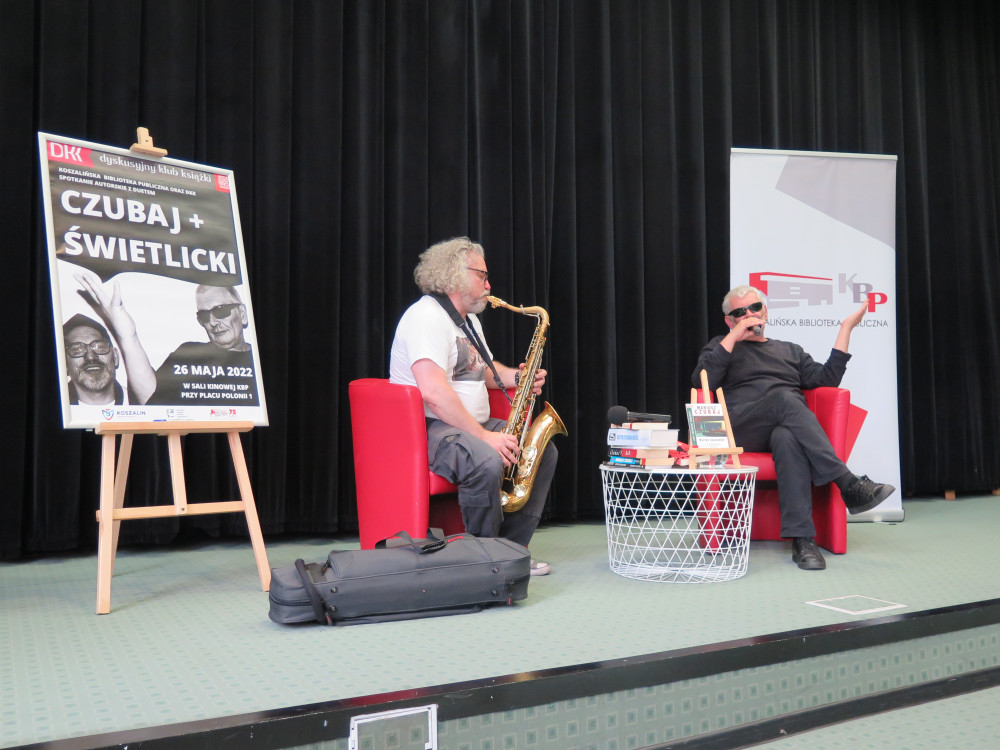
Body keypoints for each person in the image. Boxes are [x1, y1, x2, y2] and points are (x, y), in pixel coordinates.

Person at [692, 284, 895, 571]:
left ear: (765, 312)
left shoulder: (790, 350)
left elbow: (827, 380)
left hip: (783, 424)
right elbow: (702, 380)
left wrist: (846, 328)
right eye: (740, 312)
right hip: (742, 428)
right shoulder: (721, 346)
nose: (749, 315)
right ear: (729, 320)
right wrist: (734, 336)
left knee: (787, 438)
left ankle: (803, 540)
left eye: (755, 308)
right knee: (784, 398)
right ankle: (848, 484)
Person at [389, 237, 557, 575]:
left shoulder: (468, 321)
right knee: (485, 461)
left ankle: (511, 549)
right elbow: (433, 392)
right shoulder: (425, 317)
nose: (489, 285)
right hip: (429, 428)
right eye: (482, 275)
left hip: (468, 426)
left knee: (541, 452)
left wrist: (519, 377)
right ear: (454, 274)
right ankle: (482, 561)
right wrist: (484, 437)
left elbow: (484, 372)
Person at [147, 284, 260, 406]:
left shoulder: (260, 362)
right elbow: (151, 398)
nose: (212, 322)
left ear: (242, 314)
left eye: (220, 310)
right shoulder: (188, 354)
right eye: (204, 316)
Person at [64, 271, 157, 405]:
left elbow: (152, 399)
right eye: (77, 349)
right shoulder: (53, 408)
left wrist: (128, 335)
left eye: (99, 347)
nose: (91, 357)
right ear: (65, 364)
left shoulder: (138, 405)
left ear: (115, 357)